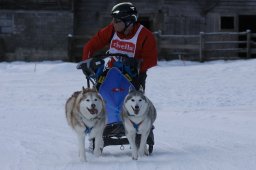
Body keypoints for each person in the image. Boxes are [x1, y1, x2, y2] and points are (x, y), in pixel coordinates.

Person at [82, 2, 157, 90]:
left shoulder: (145, 36)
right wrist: (86, 62)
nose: (113, 23)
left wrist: (137, 63)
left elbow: (151, 60)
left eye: (117, 21)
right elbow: (90, 46)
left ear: (128, 22)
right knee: (99, 97)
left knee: (132, 102)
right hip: (111, 71)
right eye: (113, 19)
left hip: (133, 76)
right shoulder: (111, 30)